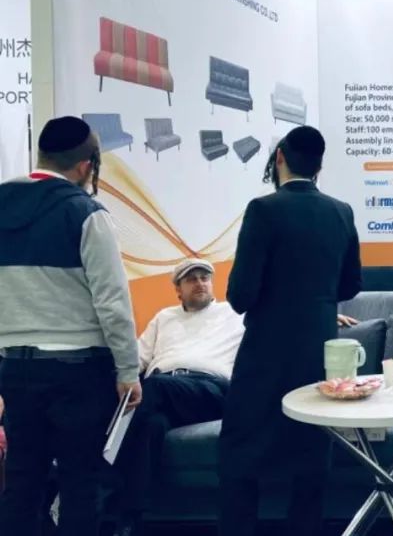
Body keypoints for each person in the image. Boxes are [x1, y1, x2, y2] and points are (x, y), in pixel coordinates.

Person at [217, 127, 364, 536]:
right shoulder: (341, 211)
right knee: (310, 457)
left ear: (279, 157)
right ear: (320, 165)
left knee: (240, 456)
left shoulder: (263, 210)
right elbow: (351, 284)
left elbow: (241, 295)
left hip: (266, 352)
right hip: (318, 351)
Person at [0, 116, 142, 535]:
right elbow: (112, 302)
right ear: (85, 166)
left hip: (15, 368)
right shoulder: (86, 213)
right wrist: (128, 371)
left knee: (22, 480)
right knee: (80, 482)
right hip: (78, 372)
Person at [111, 258, 245, 536]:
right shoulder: (164, 317)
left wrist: (325, 319)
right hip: (165, 393)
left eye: (204, 278)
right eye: (191, 279)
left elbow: (275, 326)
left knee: (152, 388)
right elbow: (138, 358)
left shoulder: (233, 313)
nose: (200, 283)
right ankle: (129, 519)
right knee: (151, 425)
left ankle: (102, 469)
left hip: (211, 389)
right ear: (178, 289)